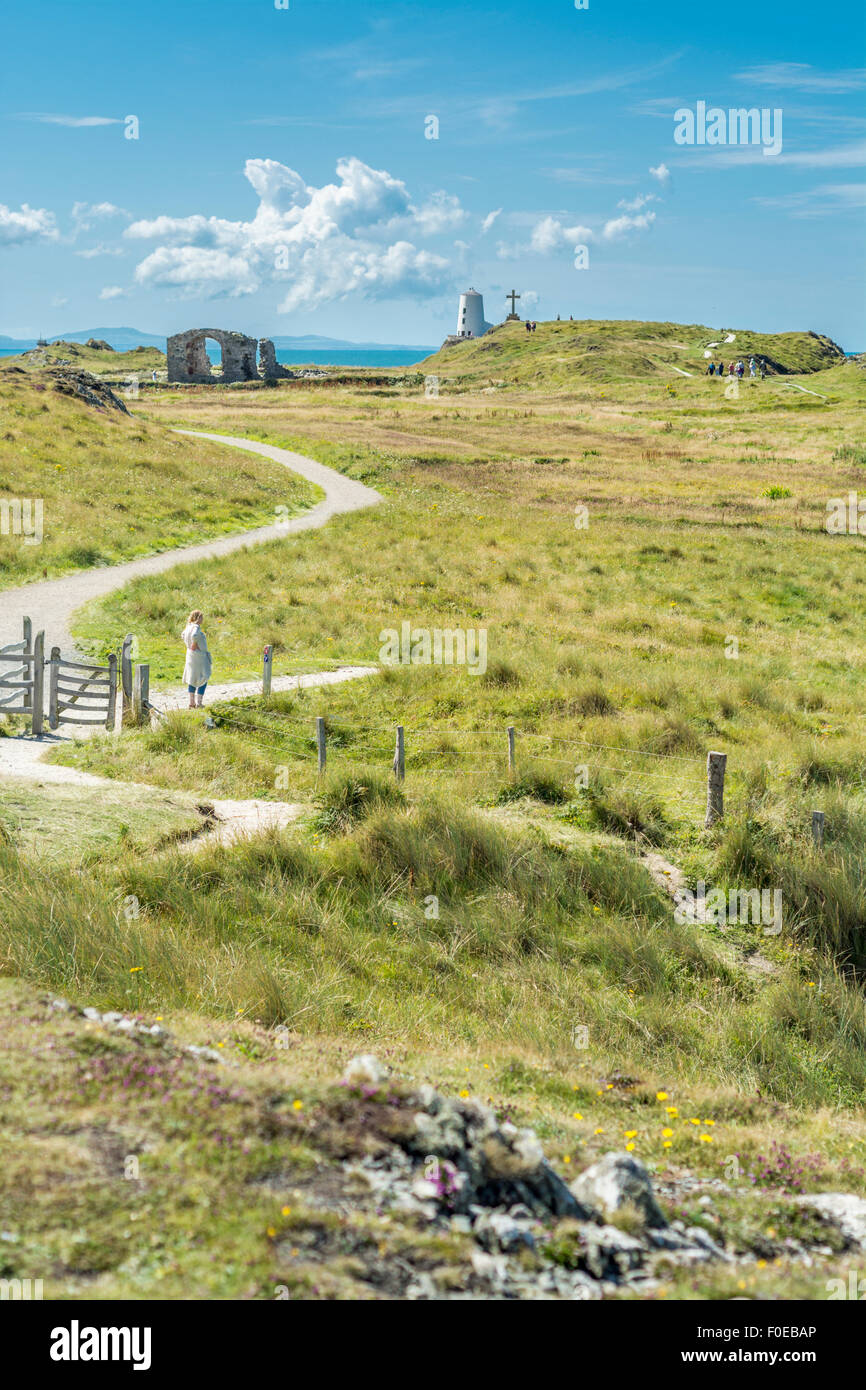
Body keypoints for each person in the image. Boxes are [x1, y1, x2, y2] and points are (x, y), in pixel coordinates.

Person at [182, 609, 212, 709]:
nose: (202, 619)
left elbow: (182, 635)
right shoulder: (196, 627)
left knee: (192, 677)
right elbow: (195, 635)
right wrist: (194, 644)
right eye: (202, 617)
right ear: (198, 618)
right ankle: (199, 703)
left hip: (190, 655)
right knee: (204, 676)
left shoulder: (188, 627)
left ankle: (191, 703)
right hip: (199, 656)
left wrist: (189, 645)